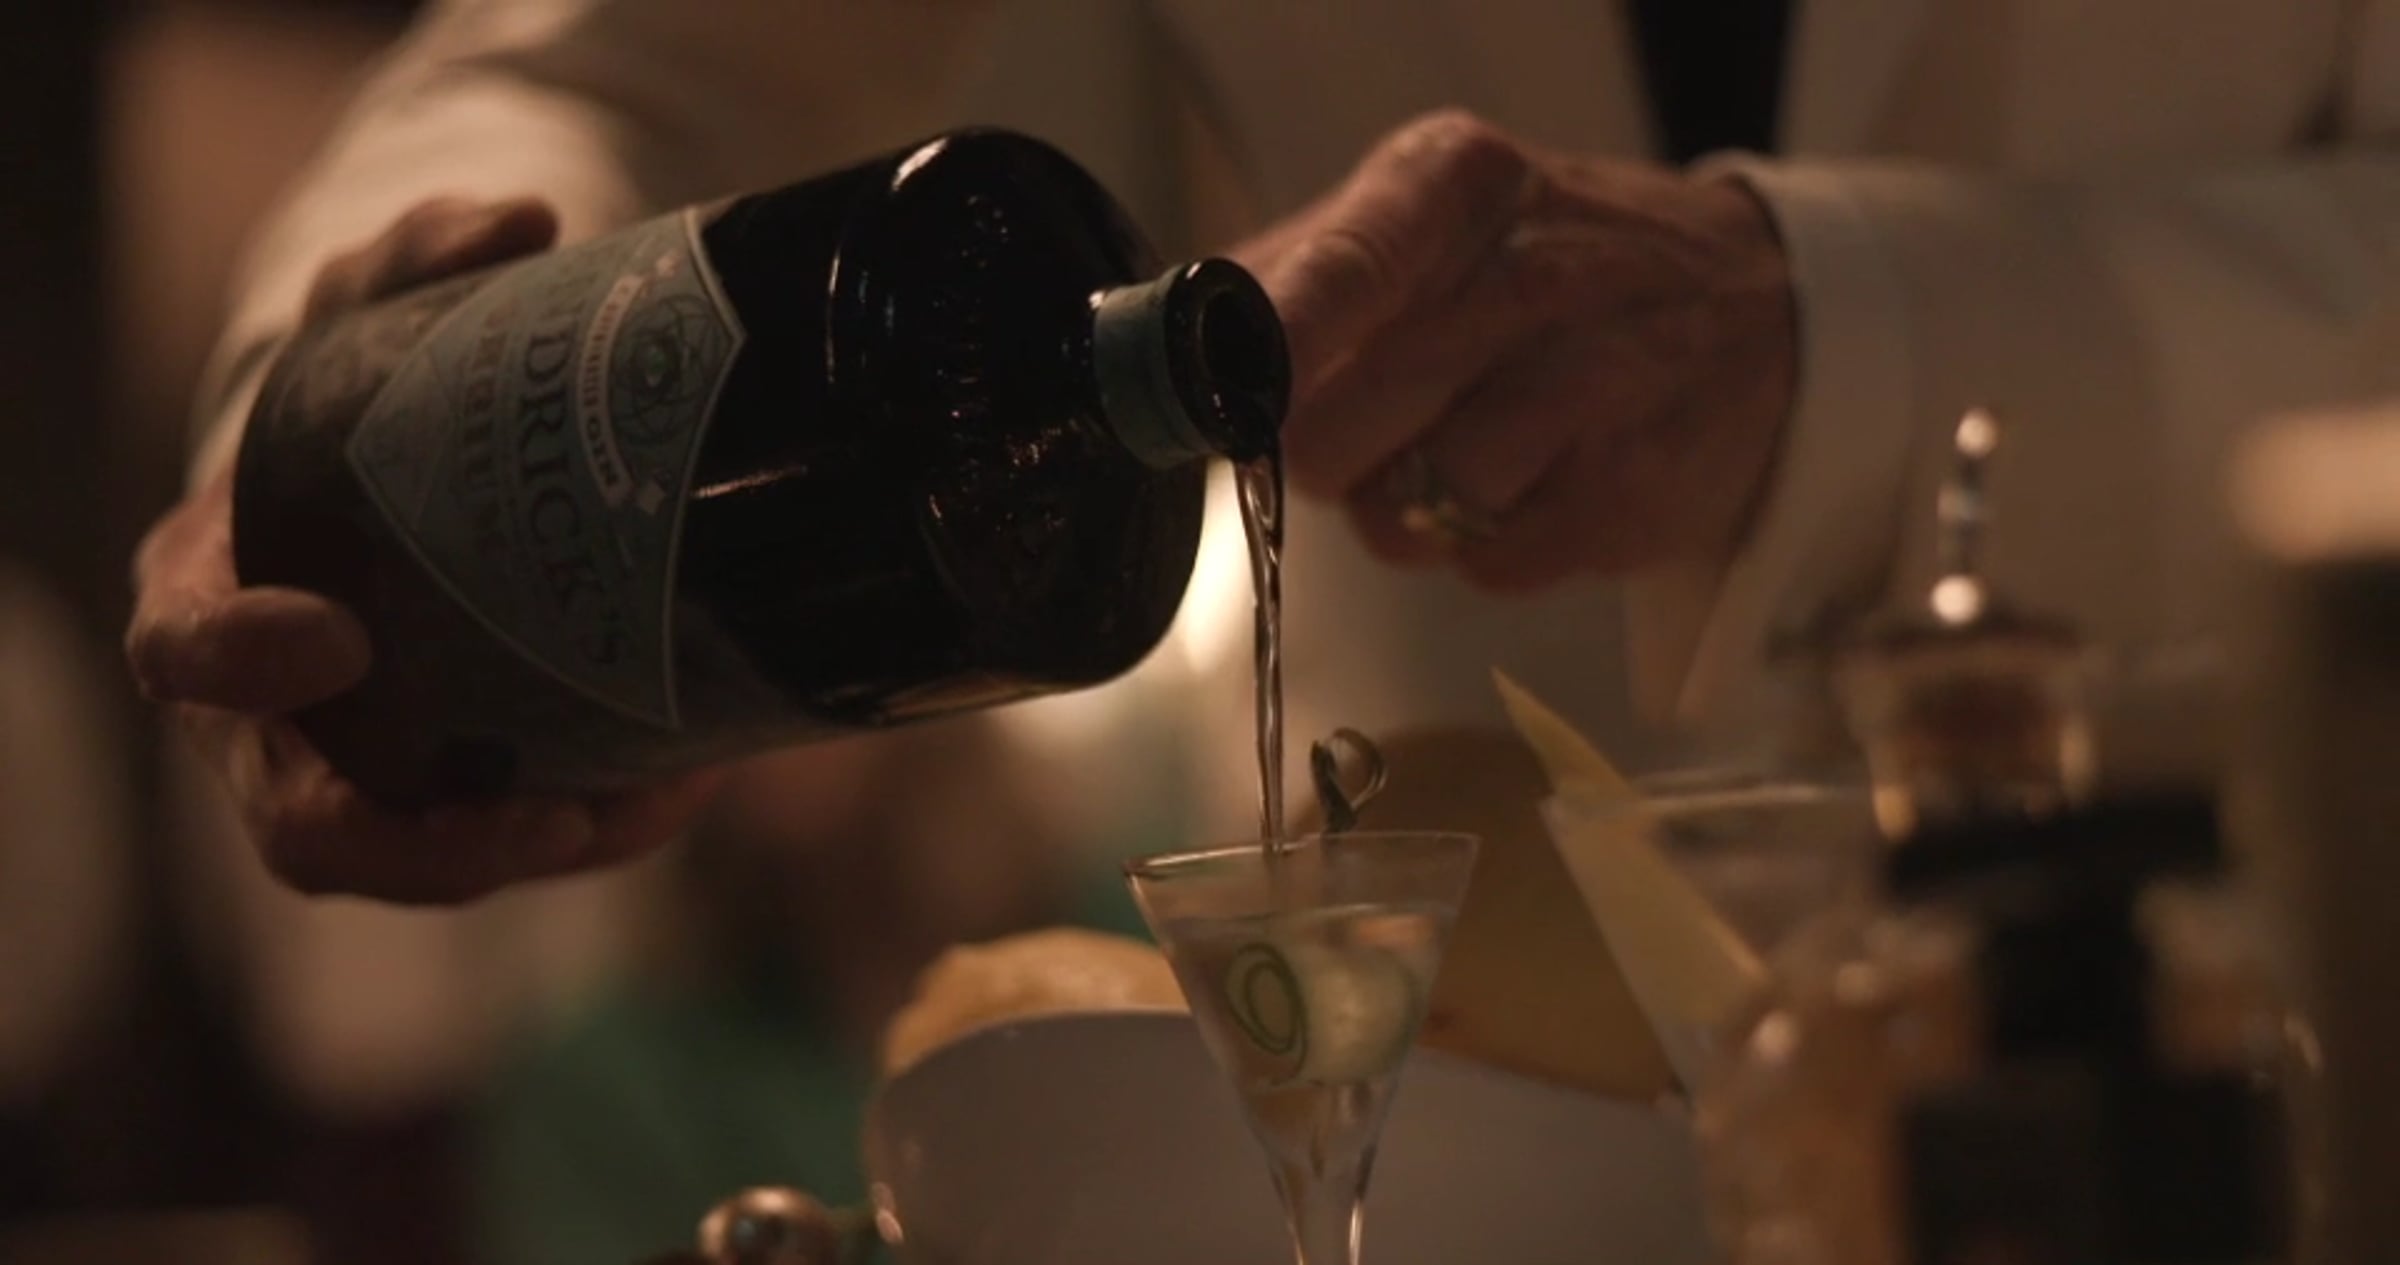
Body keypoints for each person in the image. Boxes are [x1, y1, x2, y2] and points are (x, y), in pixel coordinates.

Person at [127, 0, 2399, 905]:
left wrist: (1862, 332)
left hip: (2285, 1018)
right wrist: (348, 446)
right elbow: (598, 63)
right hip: (1463, 1078)